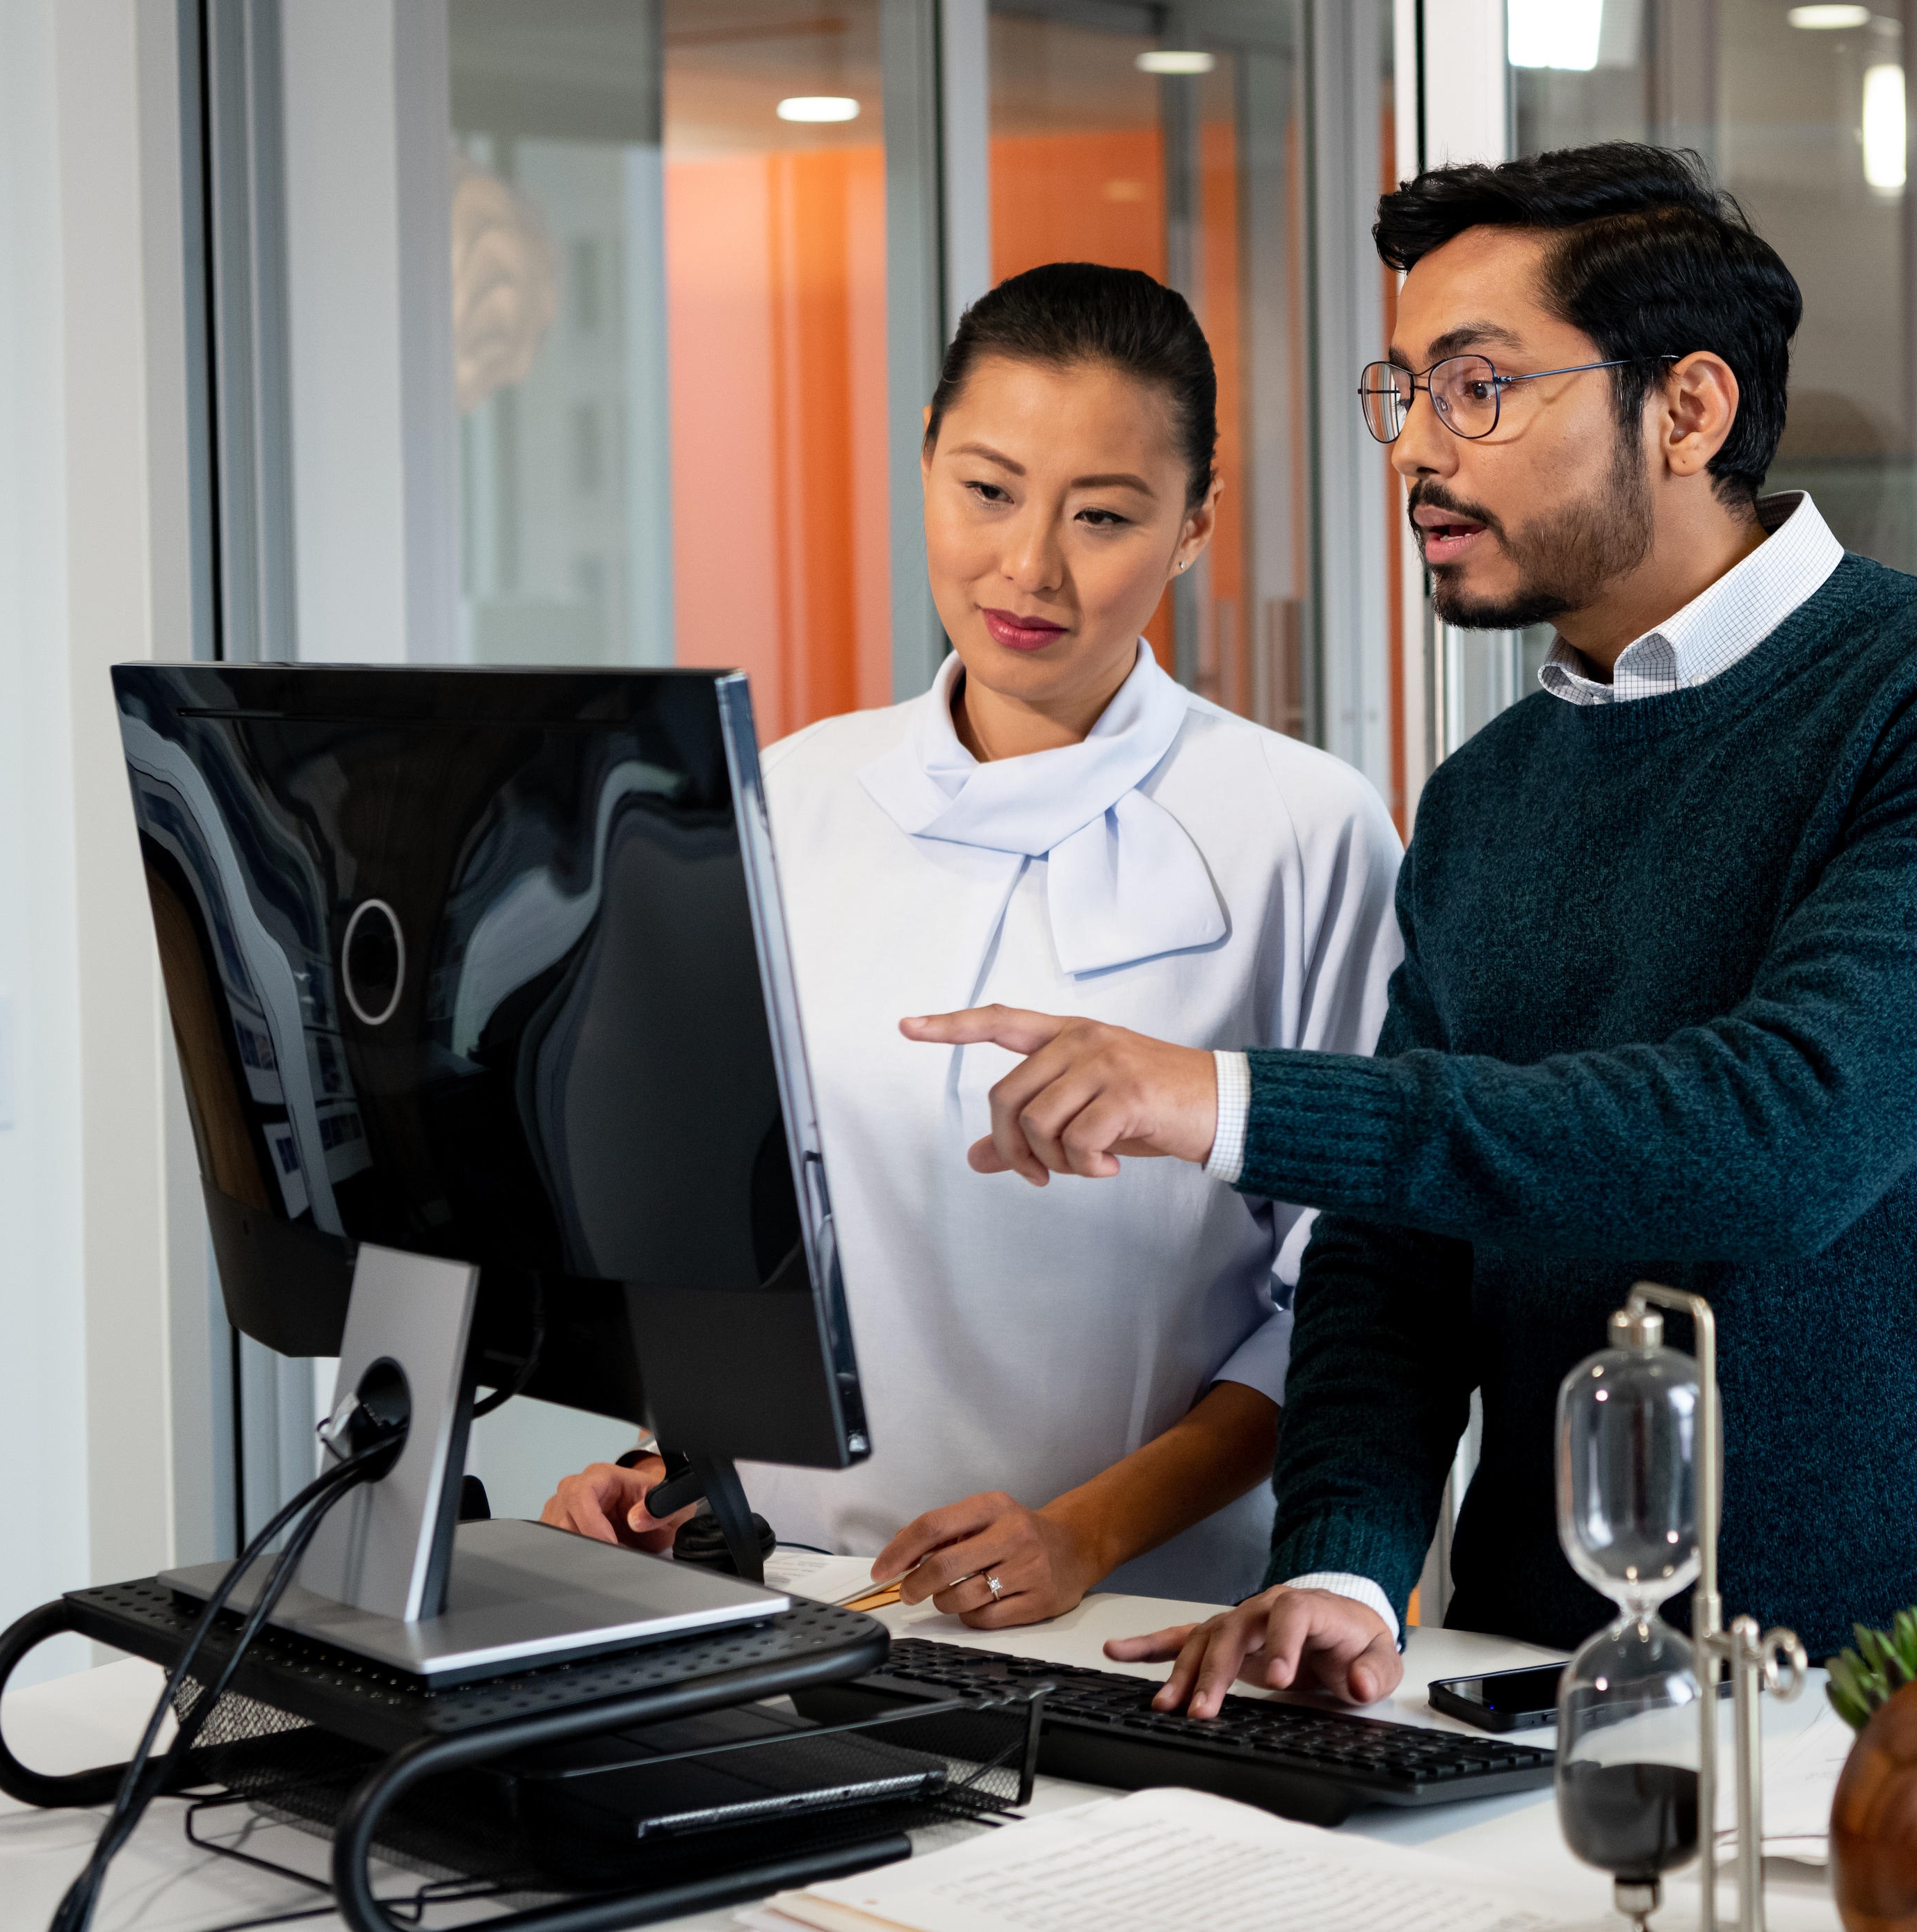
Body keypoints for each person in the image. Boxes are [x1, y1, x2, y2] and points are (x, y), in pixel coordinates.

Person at [900, 145, 1917, 1708]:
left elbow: (1779, 1134)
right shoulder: (1487, 795)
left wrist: (1221, 1096)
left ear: (1687, 409)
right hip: (1537, 1662)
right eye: (1400, 391)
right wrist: (1342, 1560)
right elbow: (1395, 1256)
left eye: (1475, 388)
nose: (1415, 447)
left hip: (1915, 1666)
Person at [540, 263, 1400, 1627]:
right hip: (791, 1599)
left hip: (1131, 1616)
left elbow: (1351, 1293)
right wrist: (663, 1470)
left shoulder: (1301, 830)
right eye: (986, 489)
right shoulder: (790, 794)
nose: (1027, 568)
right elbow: (743, 1229)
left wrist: (1082, 1534)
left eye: (1104, 515)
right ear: (925, 457)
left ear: (1193, 528)